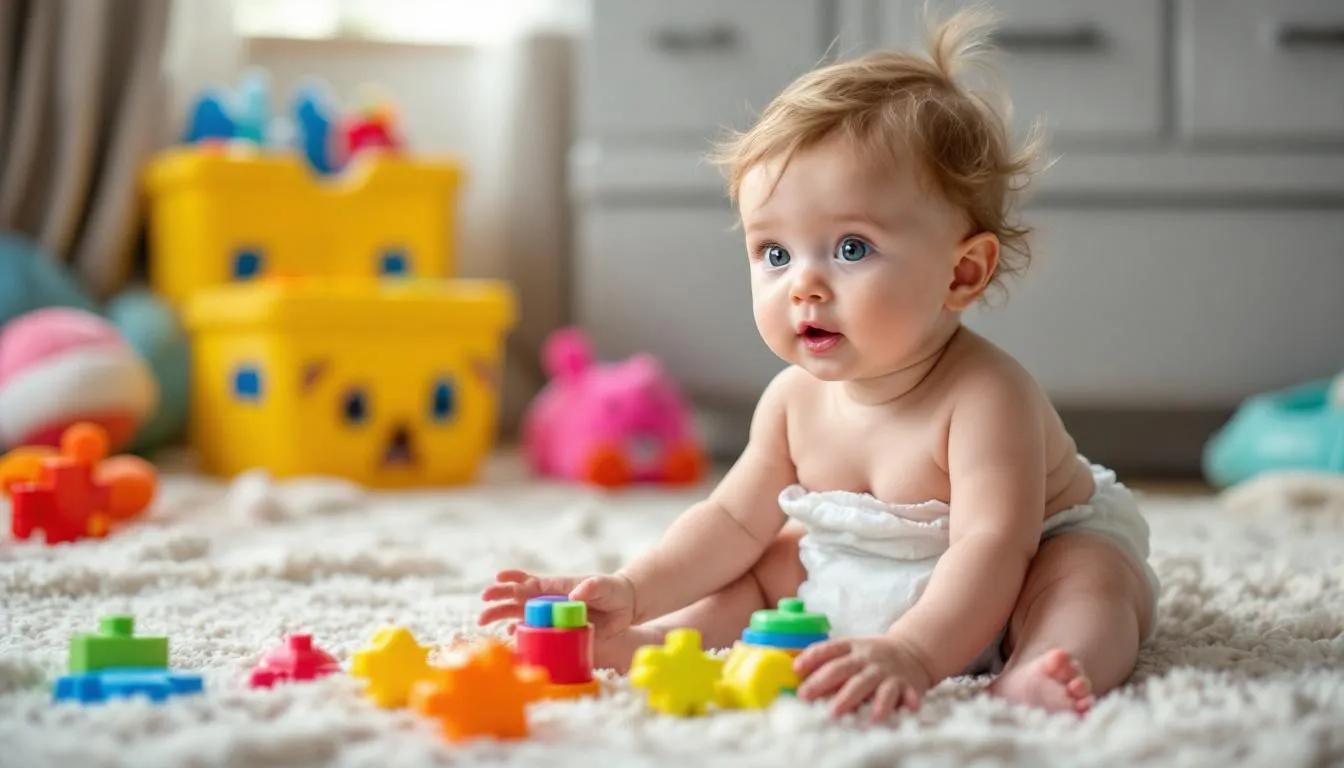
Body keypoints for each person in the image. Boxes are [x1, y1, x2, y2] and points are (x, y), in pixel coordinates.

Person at [479, 7, 1159, 722]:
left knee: (1090, 584)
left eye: (852, 248)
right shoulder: (791, 401)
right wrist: (629, 586)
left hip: (1019, 560)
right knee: (766, 562)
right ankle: (654, 638)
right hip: (881, 561)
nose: (802, 283)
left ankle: (1050, 667)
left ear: (962, 274)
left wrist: (915, 653)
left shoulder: (988, 397)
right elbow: (729, 522)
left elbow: (992, 548)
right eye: (775, 253)